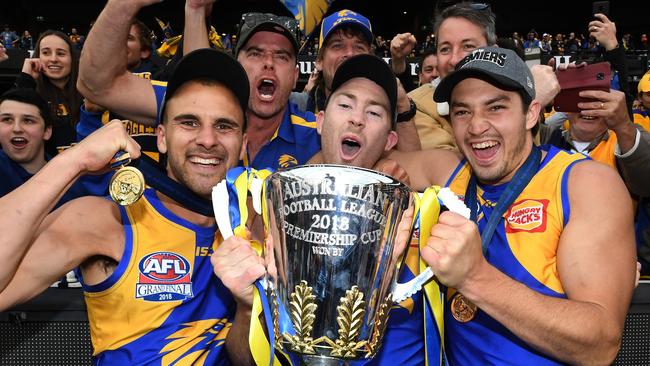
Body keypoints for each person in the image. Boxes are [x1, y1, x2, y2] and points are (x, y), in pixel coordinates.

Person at [0, 48, 255, 365]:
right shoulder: (106, 221)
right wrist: (73, 162)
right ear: (161, 137)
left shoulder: (256, 228)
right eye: (189, 122)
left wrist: (246, 308)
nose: (207, 139)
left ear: (243, 143)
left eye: (224, 125)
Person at [391, 46, 635, 365]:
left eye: (495, 108)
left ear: (531, 113)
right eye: (463, 111)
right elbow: (345, 164)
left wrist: (474, 277)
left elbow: (600, 344)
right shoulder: (451, 171)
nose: (477, 127)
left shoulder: (584, 183)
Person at [217, 53, 433, 365]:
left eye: (373, 113)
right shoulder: (270, 216)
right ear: (319, 121)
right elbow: (242, 359)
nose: (356, 118)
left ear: (389, 140)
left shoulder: (416, 218)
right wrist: (247, 307)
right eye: (344, 105)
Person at [77, 0, 321, 171]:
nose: (268, 63)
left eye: (282, 56)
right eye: (255, 53)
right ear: (237, 64)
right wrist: (124, 4)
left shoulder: (317, 135)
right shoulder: (190, 105)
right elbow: (96, 84)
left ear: (295, 75)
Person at [407, 2, 559, 151]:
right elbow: (450, 173)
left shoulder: (512, 93)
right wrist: (530, 100)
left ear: (493, 52)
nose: (454, 59)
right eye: (445, 49)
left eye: (468, 46)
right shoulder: (416, 105)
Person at [291, 10, 422, 152]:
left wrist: (403, 107)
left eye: (359, 47)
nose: (350, 54)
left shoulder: (388, 114)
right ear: (319, 61)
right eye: (337, 45)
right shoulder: (295, 108)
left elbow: (413, 168)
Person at [0, 88, 87, 207]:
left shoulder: (70, 182)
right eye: (7, 119)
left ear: (46, 131)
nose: (17, 128)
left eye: (28, 120)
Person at [15, 30, 82, 156]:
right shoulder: (31, 94)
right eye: (46, 53)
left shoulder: (89, 93)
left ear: (72, 58)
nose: (53, 59)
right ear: (37, 57)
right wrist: (25, 80)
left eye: (61, 53)